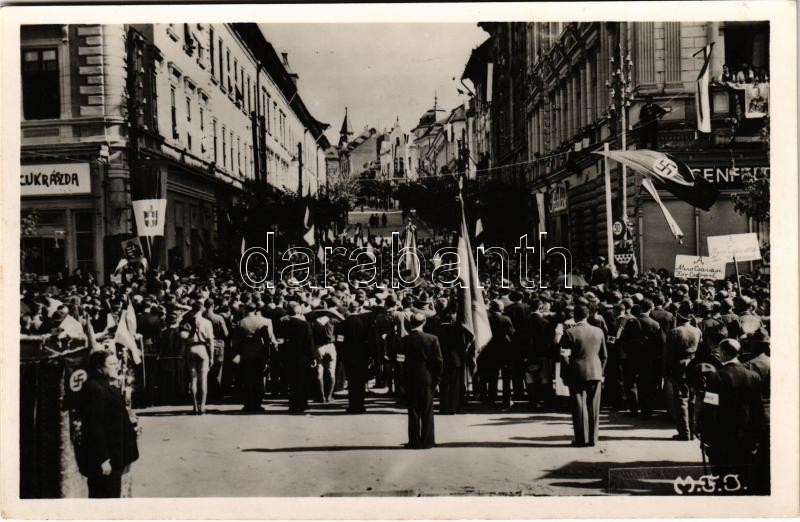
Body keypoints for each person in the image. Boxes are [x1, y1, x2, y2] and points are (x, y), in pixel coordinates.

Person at [697, 339, 765, 485]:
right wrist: (756, 435)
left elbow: (710, 408)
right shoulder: (753, 376)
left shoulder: (715, 377)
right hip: (746, 435)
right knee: (742, 474)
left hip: (722, 436)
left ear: (723, 353)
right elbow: (757, 409)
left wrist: (703, 432)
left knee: (722, 476)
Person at [77, 350, 140, 498]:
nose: (117, 366)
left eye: (116, 363)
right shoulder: (94, 389)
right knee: (105, 497)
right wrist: (103, 459)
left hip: (116, 456)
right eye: (111, 364)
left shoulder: (105, 385)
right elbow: (94, 426)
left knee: (112, 494)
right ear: (99, 368)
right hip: (106, 460)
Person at [559, 304, 607, 447]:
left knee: (579, 406)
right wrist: (600, 370)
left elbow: (564, 356)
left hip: (576, 372)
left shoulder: (570, 333)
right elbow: (604, 355)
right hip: (595, 371)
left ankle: (581, 438)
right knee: (594, 406)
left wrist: (564, 374)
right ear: (588, 315)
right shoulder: (599, 331)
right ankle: (593, 438)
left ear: (575, 315)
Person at [401, 312, 443, 449]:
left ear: (410, 323)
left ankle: (414, 441)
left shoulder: (403, 340)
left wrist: (401, 380)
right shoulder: (432, 339)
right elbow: (438, 362)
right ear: (424, 322)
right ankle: (428, 441)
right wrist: (436, 380)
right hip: (427, 378)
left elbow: (399, 362)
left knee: (412, 411)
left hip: (409, 378)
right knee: (427, 411)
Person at [664, 304, 702, 440]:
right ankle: (692, 430)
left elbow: (667, 354)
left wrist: (666, 371)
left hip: (678, 366)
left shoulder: (674, 332)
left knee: (681, 399)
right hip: (693, 365)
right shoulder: (697, 331)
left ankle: (684, 432)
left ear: (679, 316)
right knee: (692, 399)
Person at [234, 304, 277, 412]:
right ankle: (257, 403)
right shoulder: (266, 321)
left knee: (247, 378)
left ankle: (248, 403)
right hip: (259, 351)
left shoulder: (241, 322)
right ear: (256, 310)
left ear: (245, 310)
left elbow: (236, 341)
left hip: (246, 351)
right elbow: (269, 339)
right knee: (259, 378)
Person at [281, 303, 317, 414]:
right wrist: (313, 357)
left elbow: (281, 340)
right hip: (303, 356)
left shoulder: (284, 324)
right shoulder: (305, 324)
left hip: (289, 356)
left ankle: (293, 405)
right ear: (298, 312)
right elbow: (309, 342)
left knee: (292, 382)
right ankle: (301, 404)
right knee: (302, 381)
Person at [337, 301, 370, 413]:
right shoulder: (364, 322)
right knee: (360, 381)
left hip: (349, 355)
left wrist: (341, 354)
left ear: (349, 309)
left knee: (351, 381)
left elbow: (340, 341)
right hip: (362, 355)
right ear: (358, 309)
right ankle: (360, 405)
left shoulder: (343, 323)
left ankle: (353, 405)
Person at [183, 301, 214, 415]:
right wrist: (211, 357)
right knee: (203, 379)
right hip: (202, 348)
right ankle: (203, 406)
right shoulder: (207, 322)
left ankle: (195, 406)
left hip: (190, 347)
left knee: (193, 379)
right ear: (202, 309)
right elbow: (210, 340)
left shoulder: (187, 321)